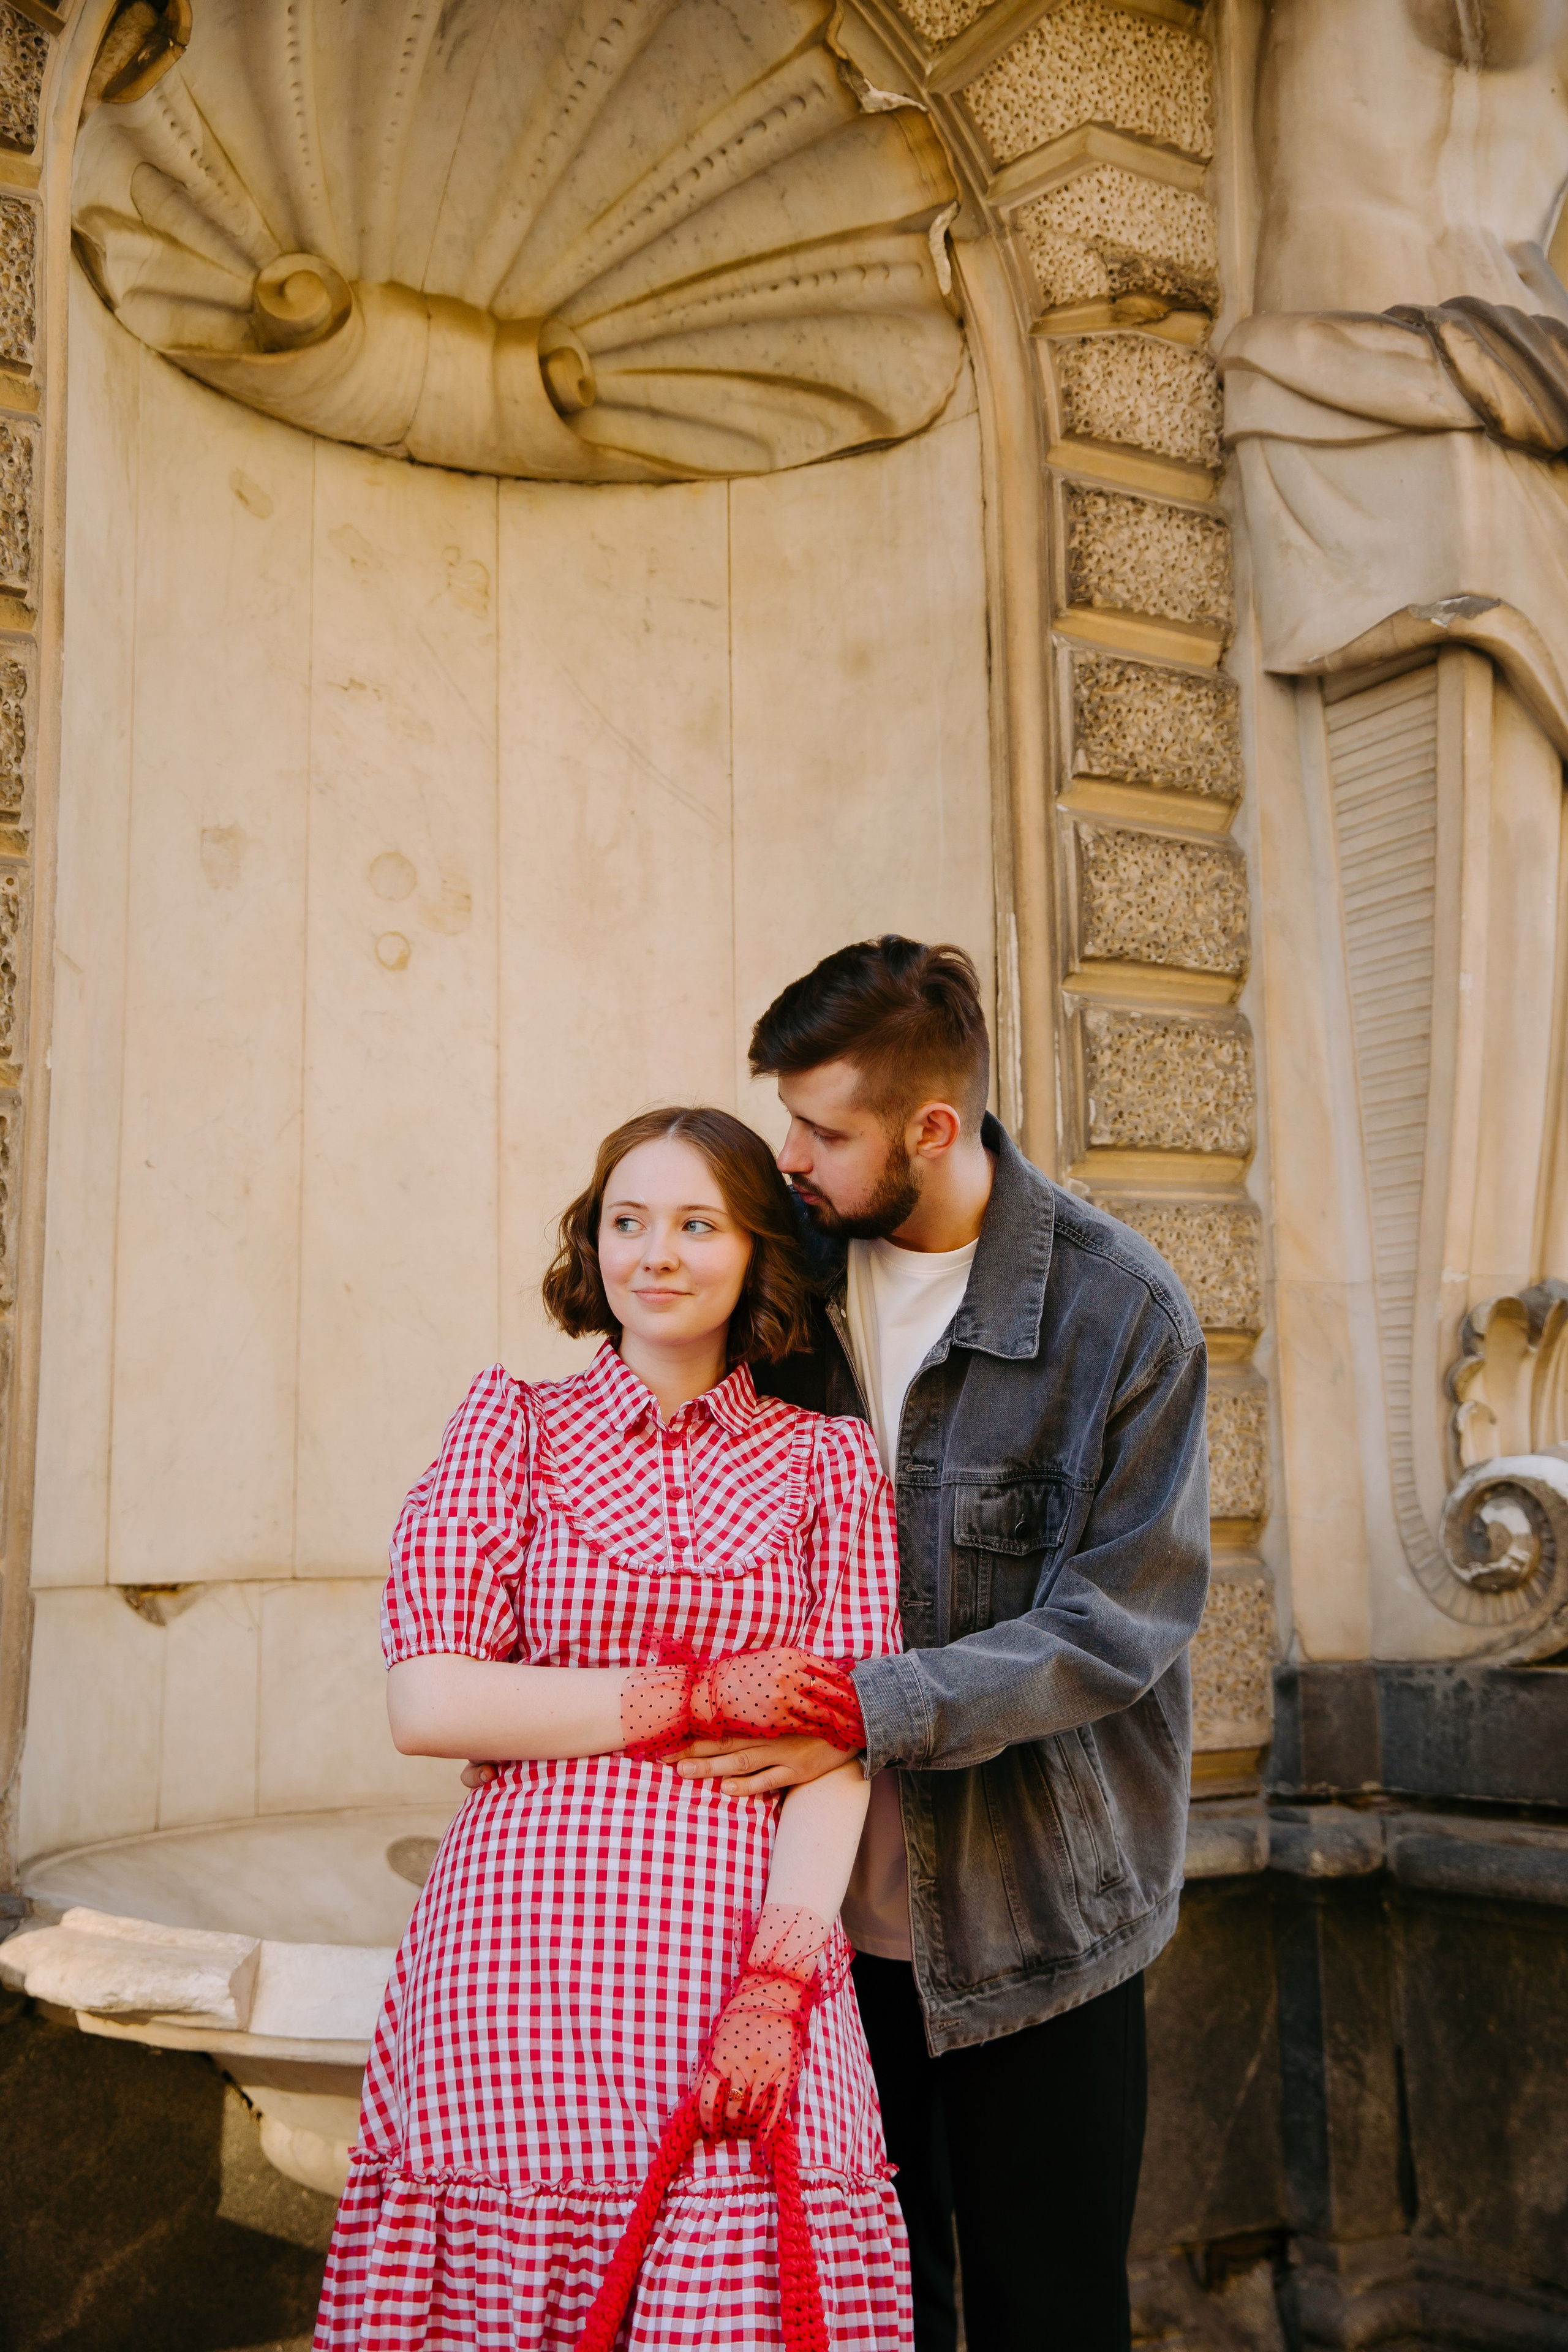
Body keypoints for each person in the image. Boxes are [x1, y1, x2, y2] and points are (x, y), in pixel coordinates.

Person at [674, 938, 1211, 2352]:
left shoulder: (1119, 1312)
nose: (786, 1154)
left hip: (1045, 1925)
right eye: (786, 1115)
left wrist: (868, 1703)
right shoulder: (779, 1283)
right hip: (815, 1934)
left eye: (822, 1130)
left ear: (931, 1127)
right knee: (861, 2314)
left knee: (1047, 2317)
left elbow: (1116, 1625)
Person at [312, 1106, 913, 2351]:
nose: (654, 1253)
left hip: (734, 1949)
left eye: (696, 1225)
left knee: (743, 2295)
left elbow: (841, 1746)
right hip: (517, 1960)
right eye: (625, 1223)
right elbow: (427, 1701)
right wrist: (694, 1697)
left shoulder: (828, 1465)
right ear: (590, 1247)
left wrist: (778, 1976)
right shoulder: (512, 1427)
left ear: (755, 1253)